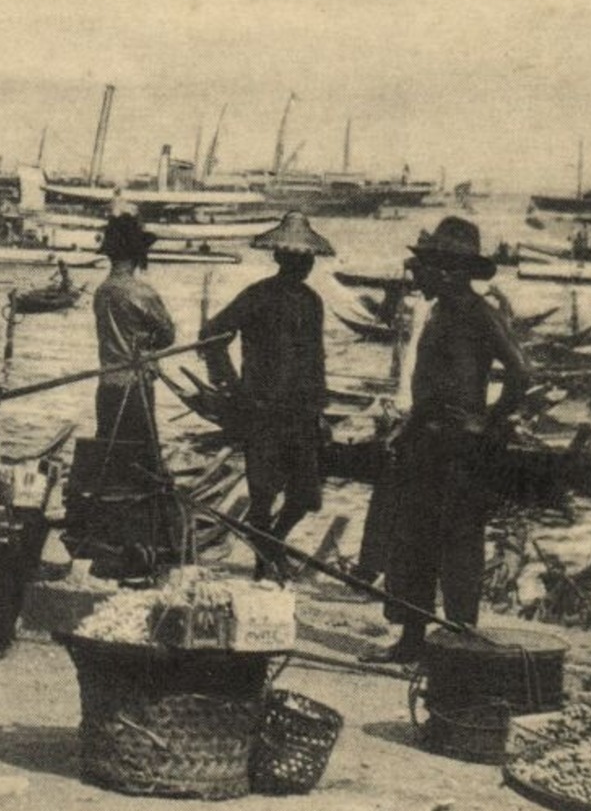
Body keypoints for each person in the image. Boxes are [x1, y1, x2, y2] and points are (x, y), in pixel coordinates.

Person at [362, 217, 531, 664]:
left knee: (460, 544)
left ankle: (458, 643)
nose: (420, 275)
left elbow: (520, 373)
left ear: (451, 270)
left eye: (429, 266)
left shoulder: (480, 314)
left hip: (461, 449)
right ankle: (413, 640)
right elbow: (432, 385)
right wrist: (409, 426)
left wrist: (491, 423)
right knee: (415, 540)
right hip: (425, 442)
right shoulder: (439, 312)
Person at [199, 211, 334, 578]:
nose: (302, 265)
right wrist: (234, 388)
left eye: (306, 259)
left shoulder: (312, 301)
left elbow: (314, 357)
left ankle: (272, 543)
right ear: (279, 258)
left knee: (306, 496)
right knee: (262, 493)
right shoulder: (257, 296)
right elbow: (212, 337)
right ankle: (264, 563)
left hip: (302, 411)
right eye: (294, 259)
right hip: (262, 410)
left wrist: (320, 408)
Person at [91, 212, 174, 442]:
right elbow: (168, 336)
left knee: (108, 446)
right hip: (135, 386)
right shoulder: (141, 292)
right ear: (137, 255)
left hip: (107, 385)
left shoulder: (102, 291)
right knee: (142, 451)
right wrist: (147, 345)